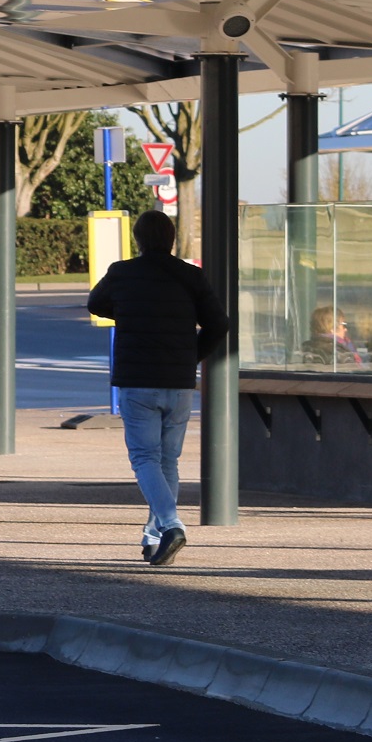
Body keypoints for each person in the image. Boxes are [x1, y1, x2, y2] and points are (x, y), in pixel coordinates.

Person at [86, 209, 228, 568]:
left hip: (138, 381)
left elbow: (95, 303)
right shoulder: (190, 276)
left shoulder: (122, 273)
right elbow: (219, 323)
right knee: (168, 460)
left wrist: (130, 311)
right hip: (178, 382)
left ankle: (171, 524)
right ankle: (153, 537)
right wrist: (193, 355)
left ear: (138, 240)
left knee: (145, 458)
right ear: (172, 240)